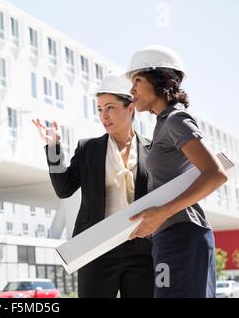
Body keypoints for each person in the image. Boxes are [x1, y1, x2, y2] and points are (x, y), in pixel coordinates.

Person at [32, 74, 154, 298]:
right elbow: (64, 188)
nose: (103, 115)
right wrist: (53, 148)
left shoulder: (152, 149)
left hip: (141, 250)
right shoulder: (88, 149)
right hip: (97, 248)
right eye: (99, 109)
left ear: (131, 107)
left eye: (110, 107)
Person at [126, 45, 228, 298]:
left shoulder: (176, 120)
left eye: (137, 80)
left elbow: (216, 174)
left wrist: (162, 213)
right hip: (167, 235)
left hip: (184, 234)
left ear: (160, 80)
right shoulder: (162, 125)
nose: (131, 90)